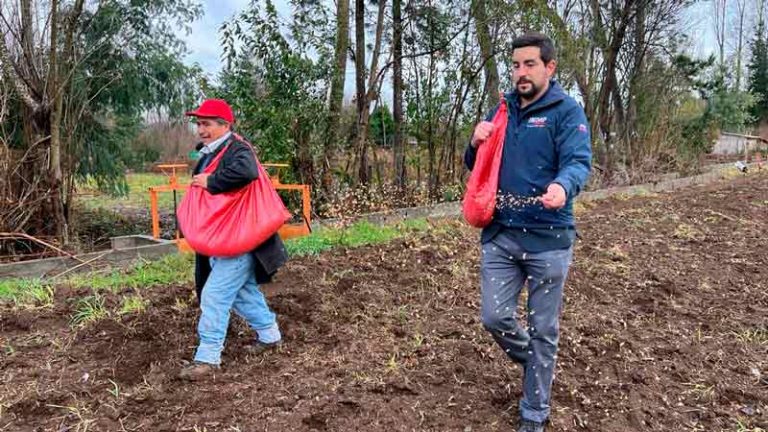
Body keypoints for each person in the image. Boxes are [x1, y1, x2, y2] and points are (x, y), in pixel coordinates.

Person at [465, 33, 591, 432]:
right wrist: (474, 142)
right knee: (494, 316)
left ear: (550, 68)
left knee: (543, 328)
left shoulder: (567, 112)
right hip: (501, 233)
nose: (520, 72)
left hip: (549, 239)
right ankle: (536, 362)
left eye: (529, 64)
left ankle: (534, 413)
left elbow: (578, 162)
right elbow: (475, 164)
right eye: (516, 65)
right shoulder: (503, 109)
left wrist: (563, 186)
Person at [179, 98, 287, 380]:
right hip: (224, 238)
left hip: (240, 241)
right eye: (199, 124)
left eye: (207, 124)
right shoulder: (209, 153)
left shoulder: (237, 148)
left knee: (214, 295)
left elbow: (247, 172)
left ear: (225, 125)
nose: (201, 129)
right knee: (242, 293)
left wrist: (211, 181)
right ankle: (270, 336)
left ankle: (208, 358)